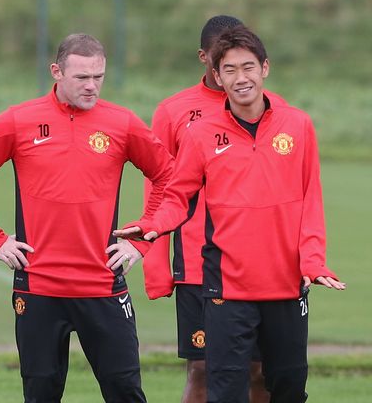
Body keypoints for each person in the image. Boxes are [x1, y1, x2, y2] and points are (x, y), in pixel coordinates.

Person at [115, 25, 345, 403]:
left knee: (287, 388)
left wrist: (314, 262)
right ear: (217, 77)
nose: (242, 78)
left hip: (286, 285)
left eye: (249, 67)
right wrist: (151, 226)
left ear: (265, 68)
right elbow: (178, 196)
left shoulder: (298, 125)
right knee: (223, 389)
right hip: (226, 290)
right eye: (231, 70)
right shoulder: (201, 134)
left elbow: (311, 201)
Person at [0, 33, 174, 402]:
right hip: (38, 288)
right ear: (56, 72)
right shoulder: (19, 121)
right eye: (81, 77)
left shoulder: (122, 123)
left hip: (102, 285)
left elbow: (169, 177)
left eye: (98, 77)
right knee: (40, 394)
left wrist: (142, 238)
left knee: (126, 392)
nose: (91, 86)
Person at [144, 15, 284, 403]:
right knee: (204, 369)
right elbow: (159, 189)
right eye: (222, 59)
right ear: (205, 58)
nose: (233, 69)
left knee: (260, 372)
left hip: (260, 263)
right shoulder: (173, 112)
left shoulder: (275, 111)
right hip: (196, 263)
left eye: (243, 61)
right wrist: (157, 266)